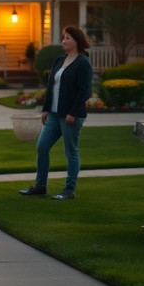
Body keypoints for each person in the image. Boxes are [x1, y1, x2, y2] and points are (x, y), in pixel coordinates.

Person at [19, 26, 93, 200]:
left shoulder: (83, 63)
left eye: (67, 38)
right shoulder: (60, 60)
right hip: (53, 113)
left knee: (71, 152)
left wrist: (72, 112)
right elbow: (51, 86)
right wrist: (45, 108)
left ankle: (68, 190)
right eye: (63, 37)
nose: (63, 41)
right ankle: (40, 186)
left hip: (70, 116)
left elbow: (84, 91)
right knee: (42, 146)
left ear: (77, 41)